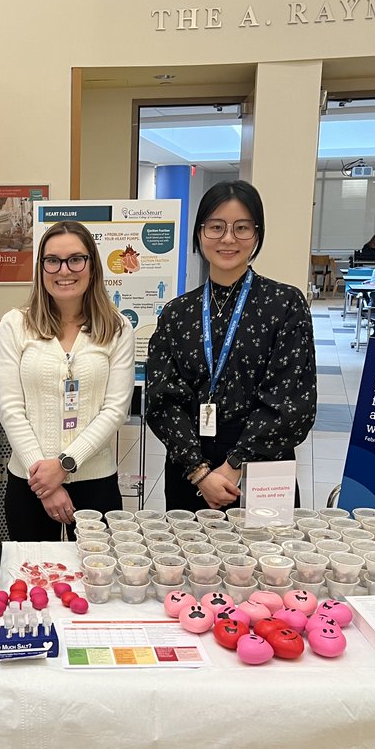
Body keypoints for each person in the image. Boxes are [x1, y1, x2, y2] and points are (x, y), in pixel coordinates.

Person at [146, 180, 317, 511]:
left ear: (257, 235)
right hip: (190, 466)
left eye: (242, 228)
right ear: (199, 233)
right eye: (216, 227)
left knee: (266, 560)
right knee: (190, 560)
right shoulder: (177, 312)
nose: (228, 238)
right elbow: (160, 400)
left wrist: (234, 464)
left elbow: (292, 400)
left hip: (263, 461)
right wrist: (199, 472)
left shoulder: (285, 304)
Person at [0, 220, 135, 540]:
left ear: (91, 266)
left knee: (95, 584)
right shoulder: (15, 325)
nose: (64, 270)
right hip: (29, 484)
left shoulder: (118, 328)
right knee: (32, 584)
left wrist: (65, 464)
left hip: (96, 485)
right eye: (52, 260)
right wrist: (45, 482)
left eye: (76, 259)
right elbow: (11, 409)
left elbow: (115, 410)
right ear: (41, 268)